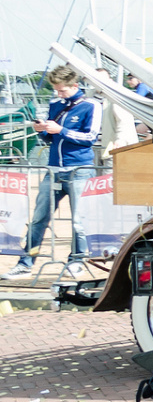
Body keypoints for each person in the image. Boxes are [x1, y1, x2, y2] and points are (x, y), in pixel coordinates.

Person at [5, 65, 99, 278]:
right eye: (56, 90)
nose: (59, 94)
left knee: (79, 220)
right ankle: (26, 263)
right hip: (54, 168)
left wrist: (61, 130)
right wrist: (42, 131)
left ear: (75, 86)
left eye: (62, 90)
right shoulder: (55, 104)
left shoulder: (91, 106)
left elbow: (90, 138)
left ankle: (76, 260)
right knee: (39, 218)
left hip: (80, 169)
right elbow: (51, 138)